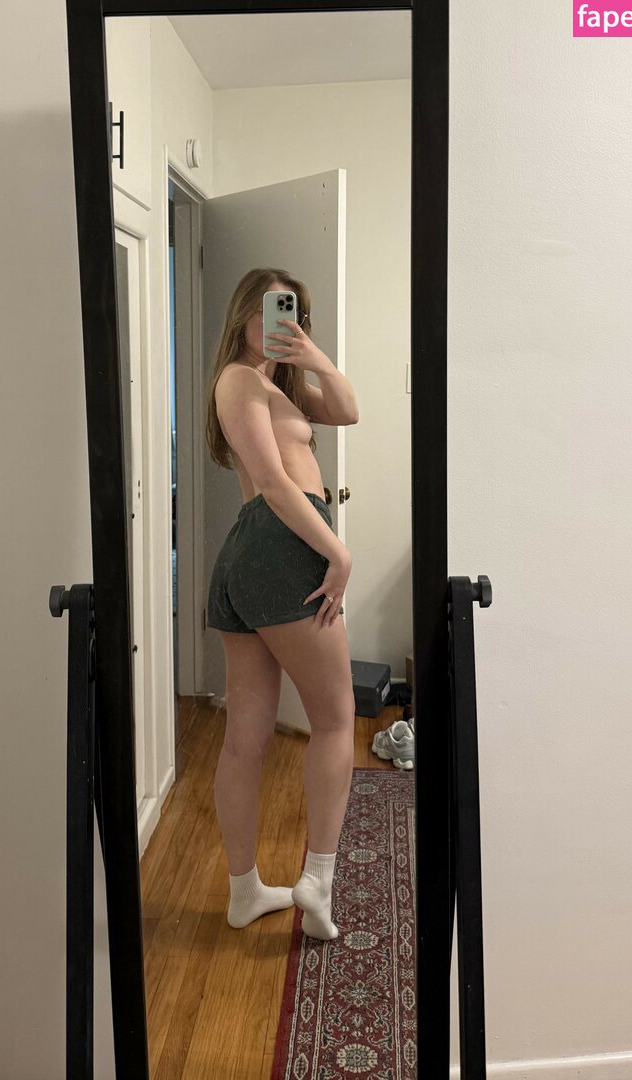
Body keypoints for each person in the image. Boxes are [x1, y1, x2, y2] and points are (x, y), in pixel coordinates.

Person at [204, 267, 359, 940]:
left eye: (291, 312)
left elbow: (348, 409)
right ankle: (316, 881)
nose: (280, 323)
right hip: (282, 545)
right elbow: (272, 482)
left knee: (248, 735)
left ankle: (245, 893)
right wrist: (337, 552)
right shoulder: (240, 381)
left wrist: (314, 356)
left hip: (253, 555)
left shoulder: (277, 387)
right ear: (243, 315)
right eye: (268, 311)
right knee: (335, 720)